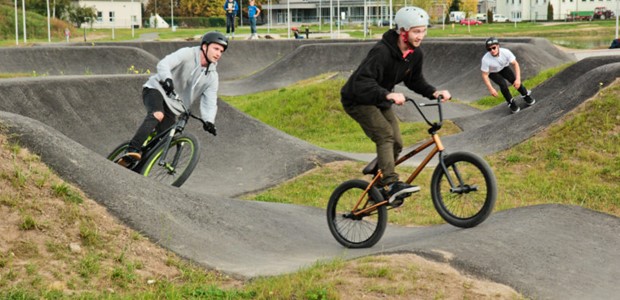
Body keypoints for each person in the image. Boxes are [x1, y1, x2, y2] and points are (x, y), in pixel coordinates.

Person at [340, 6, 451, 206]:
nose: (421, 36)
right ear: (403, 32)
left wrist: (434, 92)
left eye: (424, 30)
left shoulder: (415, 54)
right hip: (357, 99)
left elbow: (415, 80)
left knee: (398, 142)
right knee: (385, 134)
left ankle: (380, 181)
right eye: (416, 31)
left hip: (380, 99)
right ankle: (390, 184)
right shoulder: (381, 52)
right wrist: (388, 93)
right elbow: (362, 82)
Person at [117, 32, 228, 167]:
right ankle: (132, 149)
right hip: (157, 89)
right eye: (216, 49)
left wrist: (209, 120)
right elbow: (164, 64)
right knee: (157, 115)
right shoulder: (187, 54)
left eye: (221, 51)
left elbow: (210, 102)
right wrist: (167, 79)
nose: (218, 54)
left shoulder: (212, 77)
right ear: (205, 47)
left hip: (174, 105)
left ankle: (138, 167)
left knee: (165, 139)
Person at [481, 37, 535, 114]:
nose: (492, 51)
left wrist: (518, 79)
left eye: (493, 48)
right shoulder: (485, 59)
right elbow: (484, 75)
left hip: (504, 68)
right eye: (489, 49)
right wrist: (491, 89)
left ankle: (526, 95)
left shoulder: (506, 52)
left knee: (514, 80)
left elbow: (515, 64)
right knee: (503, 84)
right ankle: (511, 102)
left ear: (498, 46)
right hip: (493, 72)